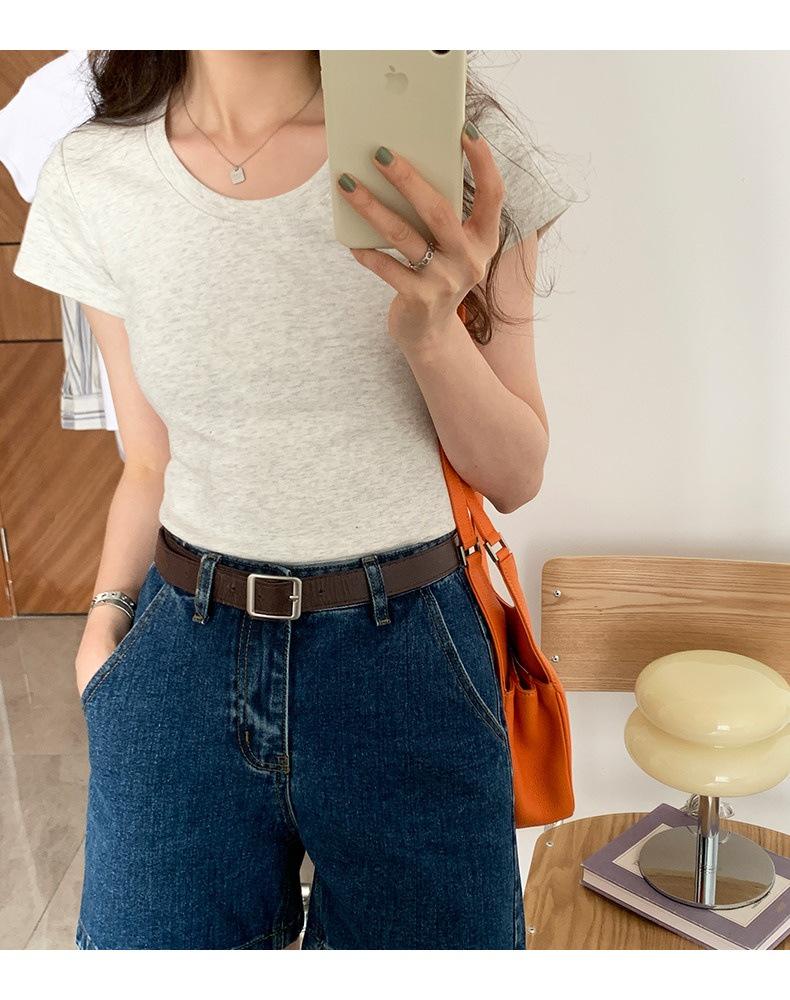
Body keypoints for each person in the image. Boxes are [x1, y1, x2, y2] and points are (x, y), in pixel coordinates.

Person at [12, 49, 574, 950]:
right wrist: (104, 626)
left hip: (409, 662)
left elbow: (516, 476)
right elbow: (149, 459)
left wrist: (432, 333)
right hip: (180, 659)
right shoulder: (95, 172)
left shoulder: (459, 151)